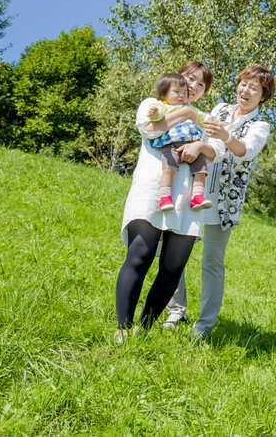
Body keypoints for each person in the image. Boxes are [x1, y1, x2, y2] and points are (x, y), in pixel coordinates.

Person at [162, 65, 274, 334]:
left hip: (224, 201)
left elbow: (245, 151)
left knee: (212, 262)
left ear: (263, 96)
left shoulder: (260, 125)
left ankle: (204, 324)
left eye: (254, 88)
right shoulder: (220, 109)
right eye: (244, 84)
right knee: (174, 252)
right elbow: (199, 134)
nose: (246, 91)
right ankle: (176, 311)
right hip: (195, 188)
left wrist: (226, 136)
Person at [114, 61, 220, 342]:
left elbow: (217, 152)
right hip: (152, 189)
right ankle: (122, 328)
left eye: (201, 84)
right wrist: (186, 112)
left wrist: (200, 145)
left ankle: (143, 329)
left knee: (172, 267)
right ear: (177, 78)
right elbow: (150, 129)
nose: (193, 86)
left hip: (188, 199)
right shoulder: (153, 104)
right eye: (189, 78)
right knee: (140, 255)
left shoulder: (205, 118)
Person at [146, 72, 212, 212]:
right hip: (171, 143)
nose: (181, 95)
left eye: (184, 93)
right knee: (169, 168)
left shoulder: (191, 109)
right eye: (177, 92)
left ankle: (198, 196)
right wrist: (154, 113)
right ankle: (164, 197)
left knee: (201, 169)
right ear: (164, 93)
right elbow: (156, 117)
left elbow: (203, 118)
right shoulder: (163, 106)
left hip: (191, 143)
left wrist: (214, 122)